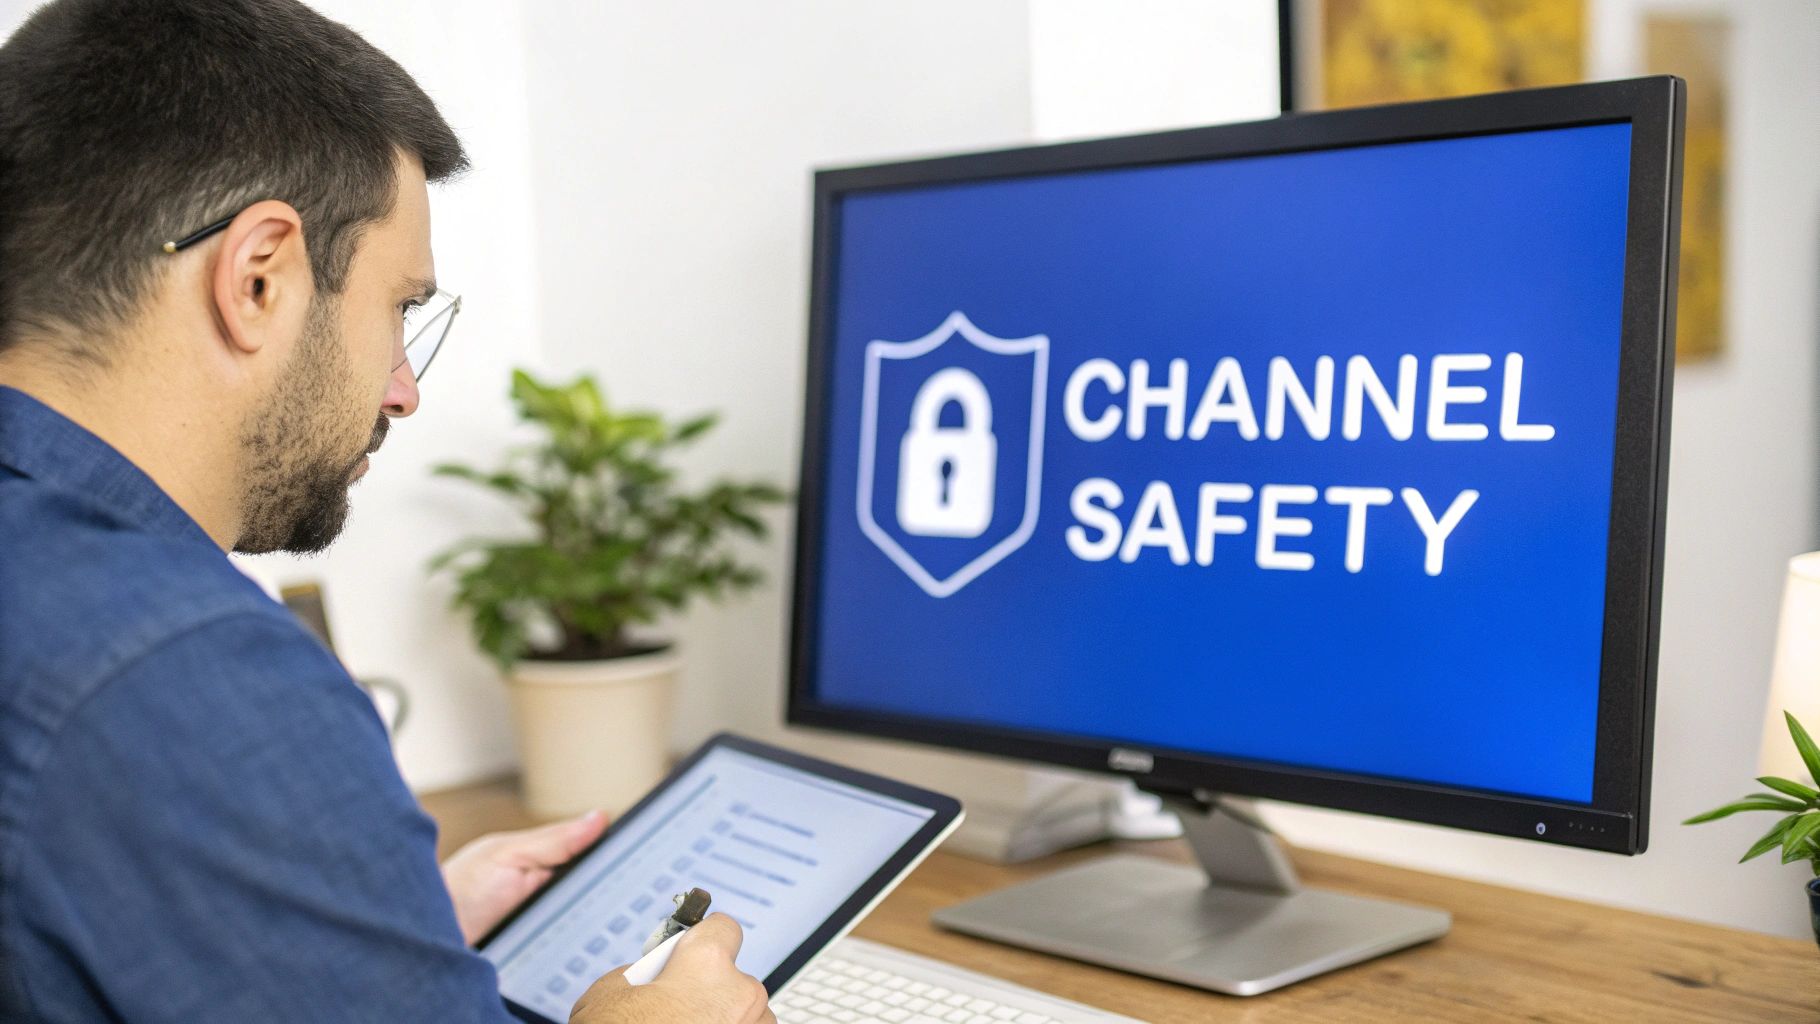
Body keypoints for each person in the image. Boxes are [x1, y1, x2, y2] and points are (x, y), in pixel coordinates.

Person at [0, 1, 773, 1021]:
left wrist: (354, 929)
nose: (402, 386)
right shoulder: (182, 666)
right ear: (260, 277)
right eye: (399, 308)